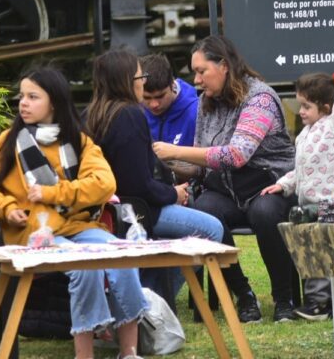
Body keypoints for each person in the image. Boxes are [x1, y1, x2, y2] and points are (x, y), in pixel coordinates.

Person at [0, 67, 147, 359]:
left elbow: (104, 183)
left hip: (78, 227)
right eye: (22, 96)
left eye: (33, 97)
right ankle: (83, 355)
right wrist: (6, 207)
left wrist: (53, 192)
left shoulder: (79, 141)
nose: (23, 103)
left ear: (54, 103)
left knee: (123, 256)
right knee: (85, 268)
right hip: (33, 234)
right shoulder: (8, 142)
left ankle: (130, 352)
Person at [152, 36, 297, 323]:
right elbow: (204, 168)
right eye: (194, 72)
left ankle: (284, 299)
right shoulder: (207, 102)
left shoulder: (260, 98)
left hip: (269, 184)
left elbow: (236, 155)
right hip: (229, 189)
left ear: (225, 66)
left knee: (264, 212)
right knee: (204, 211)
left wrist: (177, 150)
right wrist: (163, 161)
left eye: (201, 71)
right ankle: (243, 295)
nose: (196, 80)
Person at [84, 49, 223, 299]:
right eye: (139, 77)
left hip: (104, 209)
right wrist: (173, 193)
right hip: (134, 211)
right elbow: (138, 185)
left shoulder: (91, 113)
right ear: (125, 81)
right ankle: (155, 299)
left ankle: (145, 292)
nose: (143, 82)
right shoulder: (129, 115)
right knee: (211, 229)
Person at [261, 64, 334, 320]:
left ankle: (322, 304)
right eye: (300, 105)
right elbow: (302, 170)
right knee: (312, 248)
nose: (300, 112)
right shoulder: (304, 136)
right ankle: (329, 303)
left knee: (322, 249)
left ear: (325, 107)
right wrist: (285, 183)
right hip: (312, 203)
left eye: (306, 106)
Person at [139, 53, 200, 181]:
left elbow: (202, 167)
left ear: (172, 85)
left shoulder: (195, 112)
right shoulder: (134, 110)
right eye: (147, 98)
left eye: (160, 96)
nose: (154, 104)